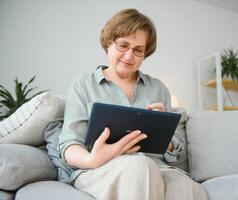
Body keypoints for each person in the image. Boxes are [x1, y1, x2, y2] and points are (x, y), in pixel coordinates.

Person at [58, 8, 207, 200]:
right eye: (123, 45)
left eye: (138, 50)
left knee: (189, 187)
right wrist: (92, 159)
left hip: (159, 168)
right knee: (140, 169)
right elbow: (69, 144)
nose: (129, 56)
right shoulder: (83, 85)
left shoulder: (159, 88)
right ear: (108, 43)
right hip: (100, 169)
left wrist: (163, 131)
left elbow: (175, 150)